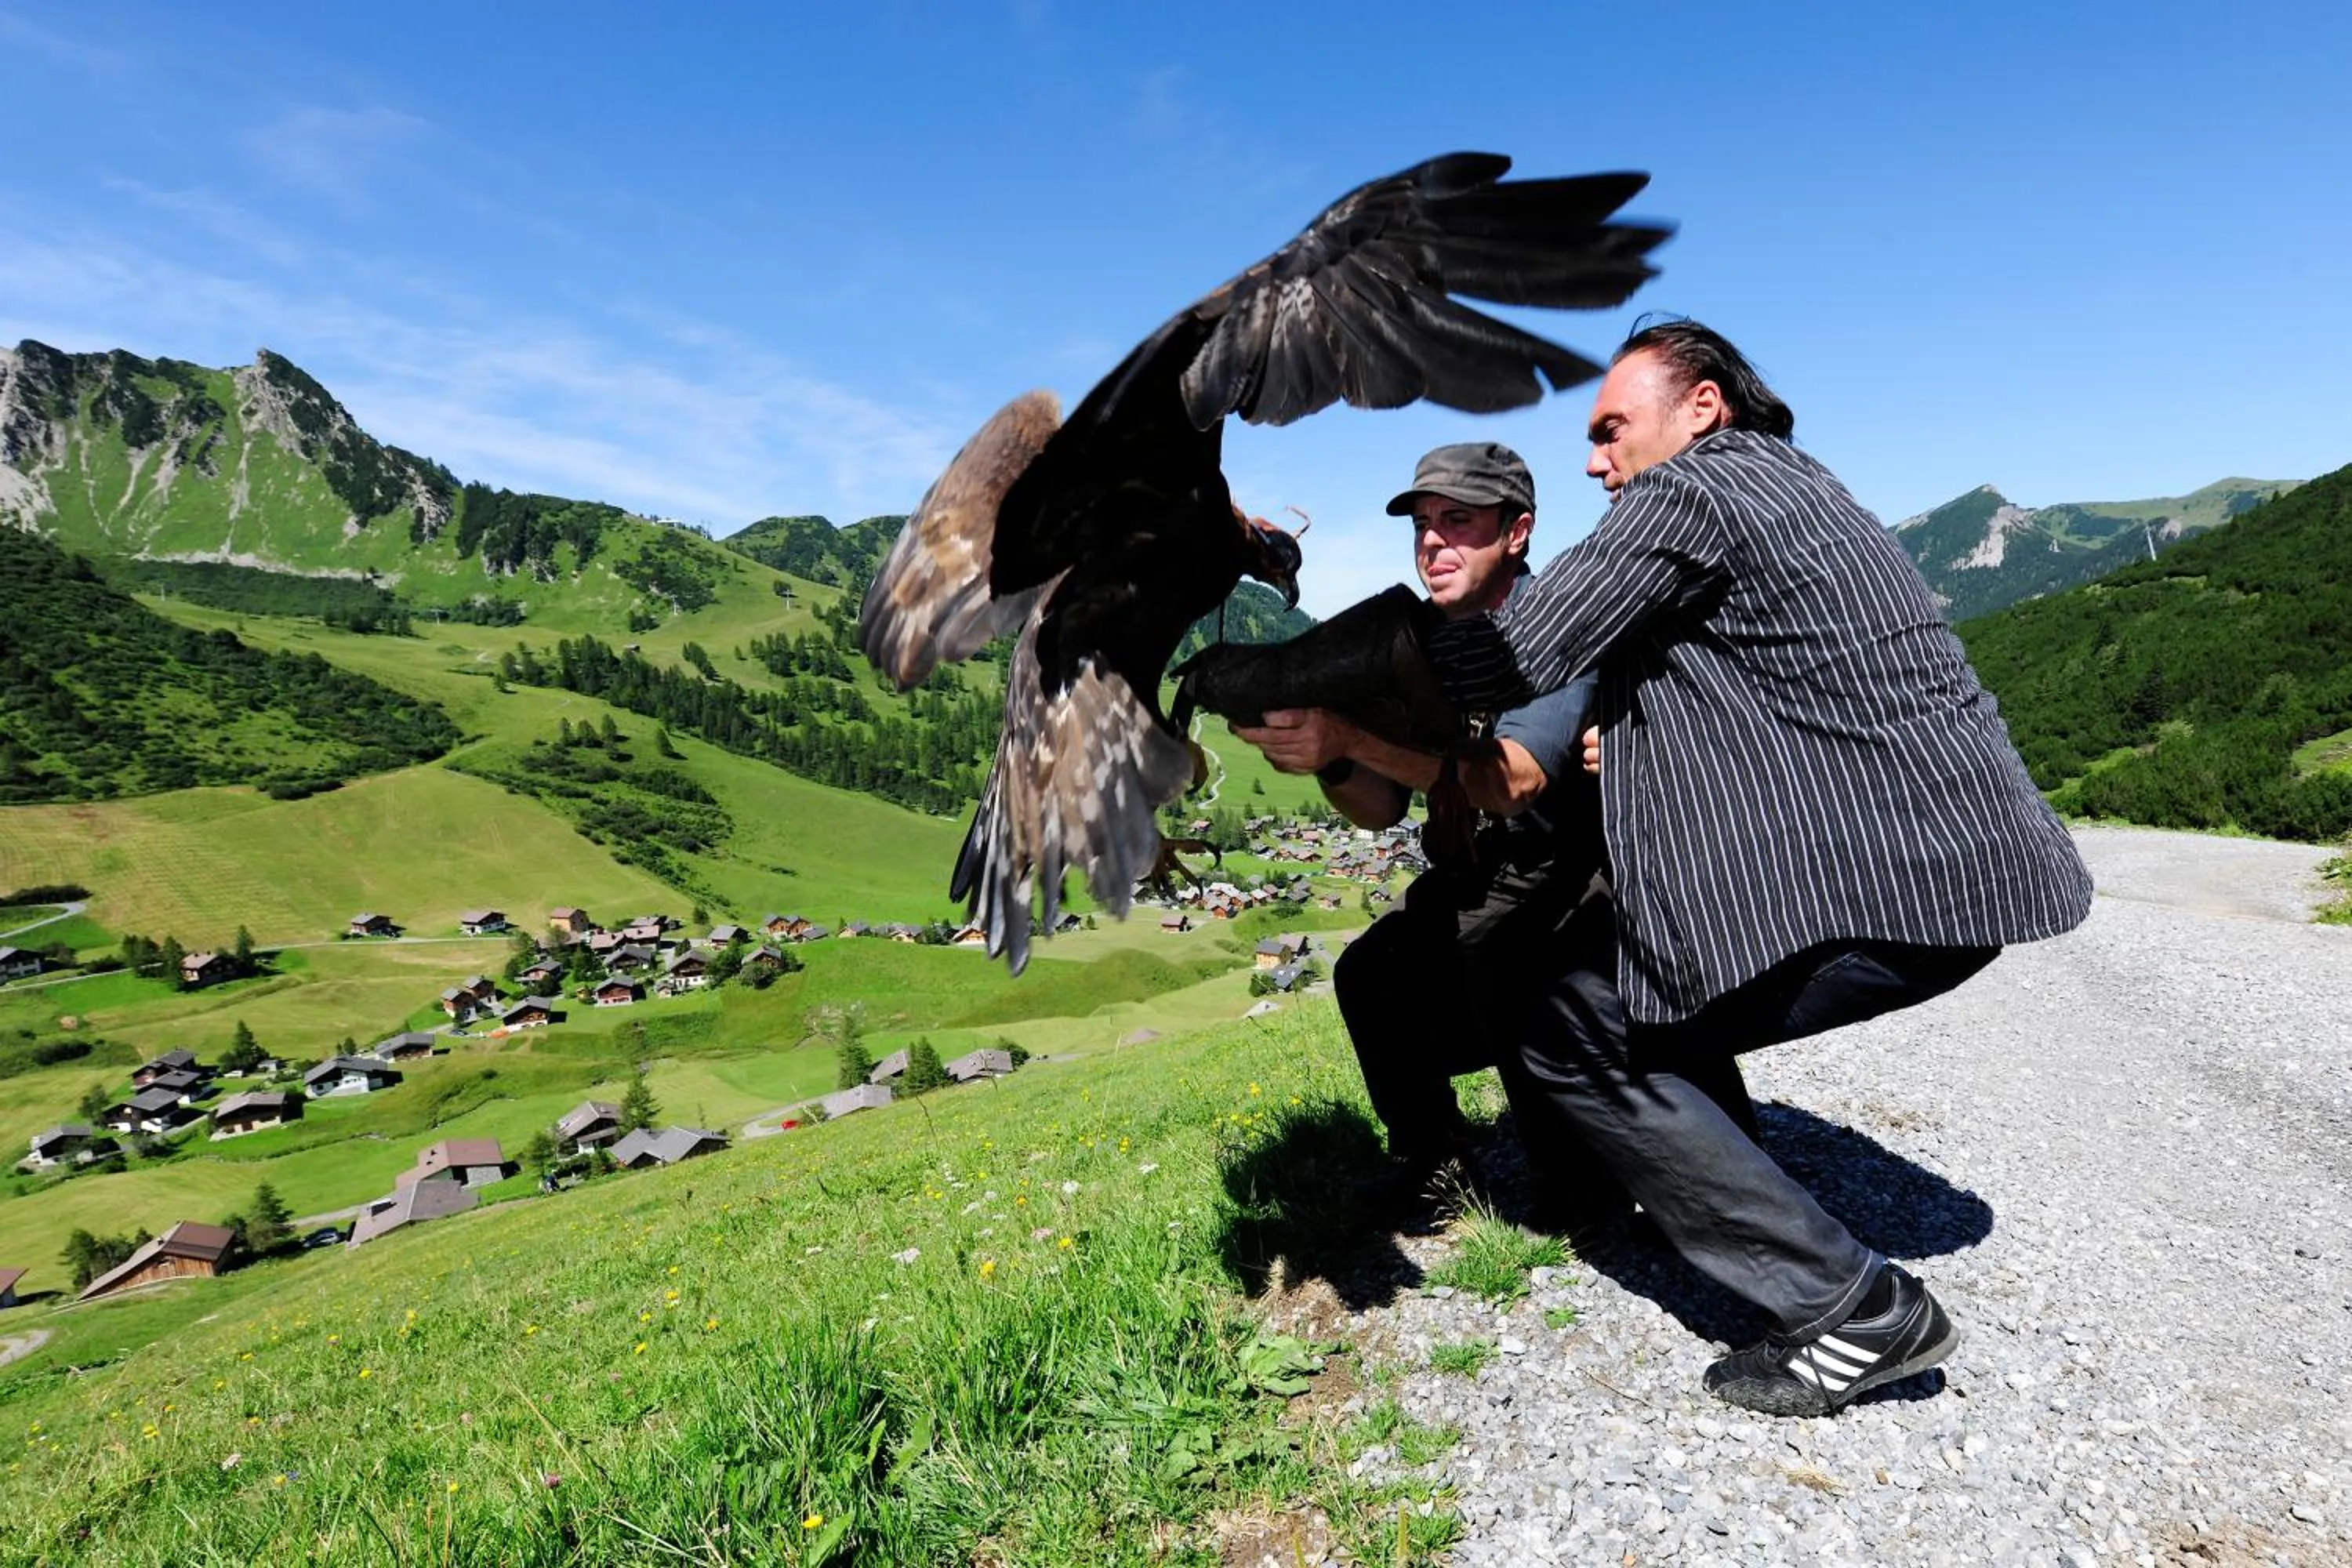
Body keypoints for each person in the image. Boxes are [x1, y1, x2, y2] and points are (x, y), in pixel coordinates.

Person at [1177, 319, 2092, 1417]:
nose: (1596, 459)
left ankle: (1848, 1304)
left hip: (1893, 873)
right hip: (1940, 866)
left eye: (1612, 430)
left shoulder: (1695, 492)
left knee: (1574, 1014)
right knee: (1624, 996)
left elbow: (1507, 659)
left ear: (1702, 408)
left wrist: (1258, 673)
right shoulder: (1789, 488)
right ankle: (1690, 1176)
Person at [1231, 441, 1758, 1225]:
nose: (1433, 542)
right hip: (1486, 874)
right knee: (1372, 972)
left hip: (1588, 877)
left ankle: (1652, 1155)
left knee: (1577, 1190)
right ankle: (1436, 1166)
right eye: (1422, 524)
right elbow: (1378, 809)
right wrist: (1326, 750)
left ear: (1518, 532)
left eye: (1459, 522)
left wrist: (1355, 736)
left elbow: (1512, 783)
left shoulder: (1558, 623)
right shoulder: (1413, 644)